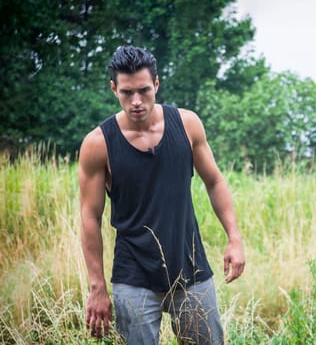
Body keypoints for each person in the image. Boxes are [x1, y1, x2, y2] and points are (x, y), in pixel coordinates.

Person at [78, 45, 245, 344]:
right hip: (134, 278)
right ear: (114, 88)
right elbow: (90, 217)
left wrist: (234, 238)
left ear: (156, 84)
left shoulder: (187, 124)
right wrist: (97, 287)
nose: (137, 101)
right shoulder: (98, 143)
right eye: (127, 92)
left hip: (191, 270)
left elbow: (215, 181)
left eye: (144, 90)